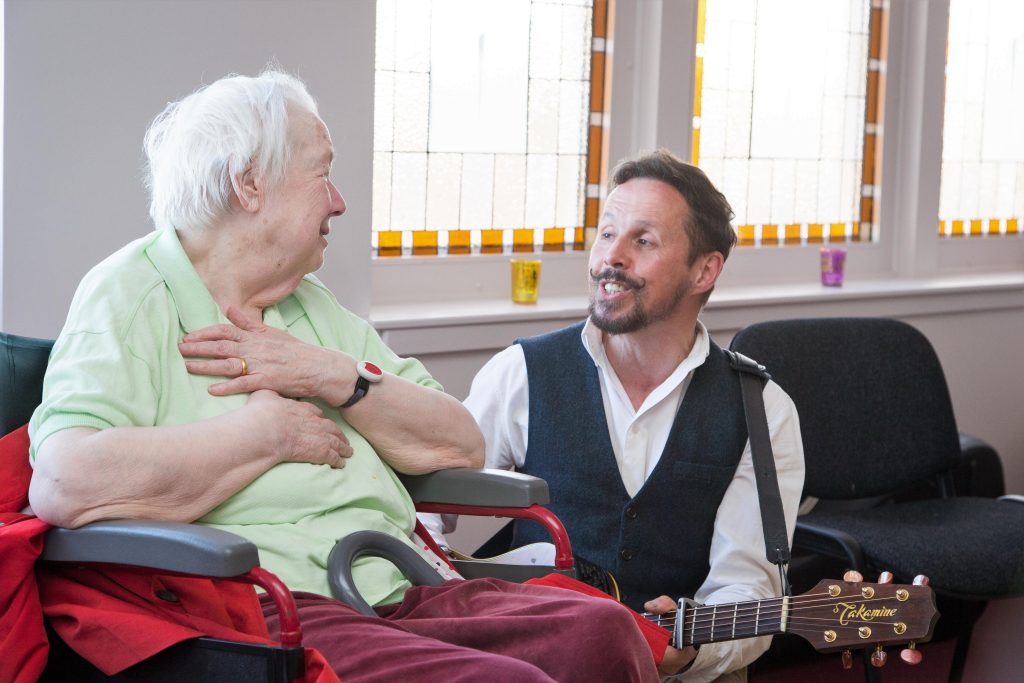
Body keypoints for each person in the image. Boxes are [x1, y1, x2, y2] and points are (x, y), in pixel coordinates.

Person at [26, 69, 681, 682]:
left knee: (605, 633)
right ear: (249, 182)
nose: (338, 201)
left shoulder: (309, 306)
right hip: (274, 609)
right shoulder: (133, 293)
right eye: (323, 174)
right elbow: (64, 480)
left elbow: (461, 442)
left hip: (402, 579)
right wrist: (265, 434)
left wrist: (333, 374)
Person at [436, 150, 806, 682]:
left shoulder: (763, 410)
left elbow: (747, 587)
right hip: (525, 665)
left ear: (705, 269)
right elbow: (422, 508)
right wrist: (448, 602)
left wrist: (689, 652)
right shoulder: (521, 373)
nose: (613, 257)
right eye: (607, 234)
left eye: (644, 241)